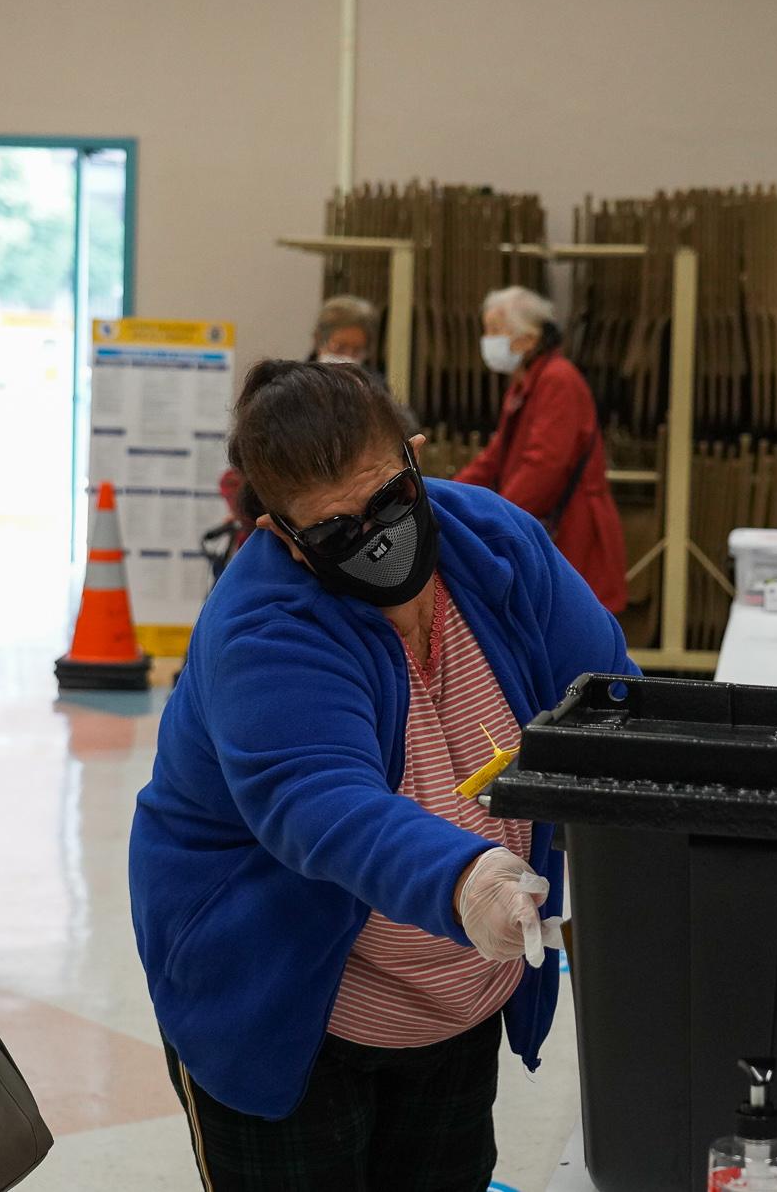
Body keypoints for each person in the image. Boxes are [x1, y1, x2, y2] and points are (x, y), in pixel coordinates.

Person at [131, 360, 633, 1190]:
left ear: (416, 458)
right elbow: (322, 803)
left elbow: (610, 703)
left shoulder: (495, 544)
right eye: (334, 530)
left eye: (390, 500)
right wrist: (465, 878)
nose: (375, 536)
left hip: (454, 997)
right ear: (279, 535)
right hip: (287, 1008)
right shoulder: (264, 626)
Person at [455, 285, 628, 615]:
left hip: (574, 531)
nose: (487, 340)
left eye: (495, 331)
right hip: (546, 523)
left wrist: (499, 519)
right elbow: (494, 459)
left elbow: (544, 465)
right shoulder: (527, 381)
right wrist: (444, 497)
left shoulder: (557, 380)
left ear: (529, 338)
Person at [310, 293, 378, 366]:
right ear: (319, 341)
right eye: (340, 348)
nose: (348, 358)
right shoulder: (299, 376)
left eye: (357, 351)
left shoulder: (373, 377)